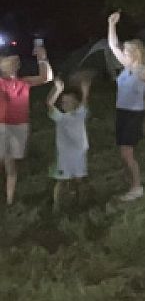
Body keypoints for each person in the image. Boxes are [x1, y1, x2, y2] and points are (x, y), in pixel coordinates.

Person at [106, 12, 145, 201]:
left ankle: (137, 187)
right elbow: (112, 45)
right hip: (121, 112)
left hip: (134, 114)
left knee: (127, 152)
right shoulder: (127, 67)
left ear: (138, 52)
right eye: (125, 52)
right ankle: (130, 181)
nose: (126, 54)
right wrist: (111, 24)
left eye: (129, 52)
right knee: (123, 151)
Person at [0, 43, 52, 205]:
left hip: (19, 127)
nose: (13, 65)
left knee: (11, 165)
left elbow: (47, 77)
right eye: (8, 62)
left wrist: (43, 58)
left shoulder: (24, 82)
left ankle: (9, 201)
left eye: (15, 62)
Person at [47, 75, 90, 206]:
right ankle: (57, 206)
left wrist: (85, 89)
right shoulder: (60, 117)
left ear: (75, 103)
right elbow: (49, 104)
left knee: (79, 180)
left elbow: (84, 102)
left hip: (78, 155)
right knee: (61, 181)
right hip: (64, 157)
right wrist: (57, 90)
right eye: (63, 102)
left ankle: (80, 203)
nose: (64, 104)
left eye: (68, 101)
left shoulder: (80, 114)